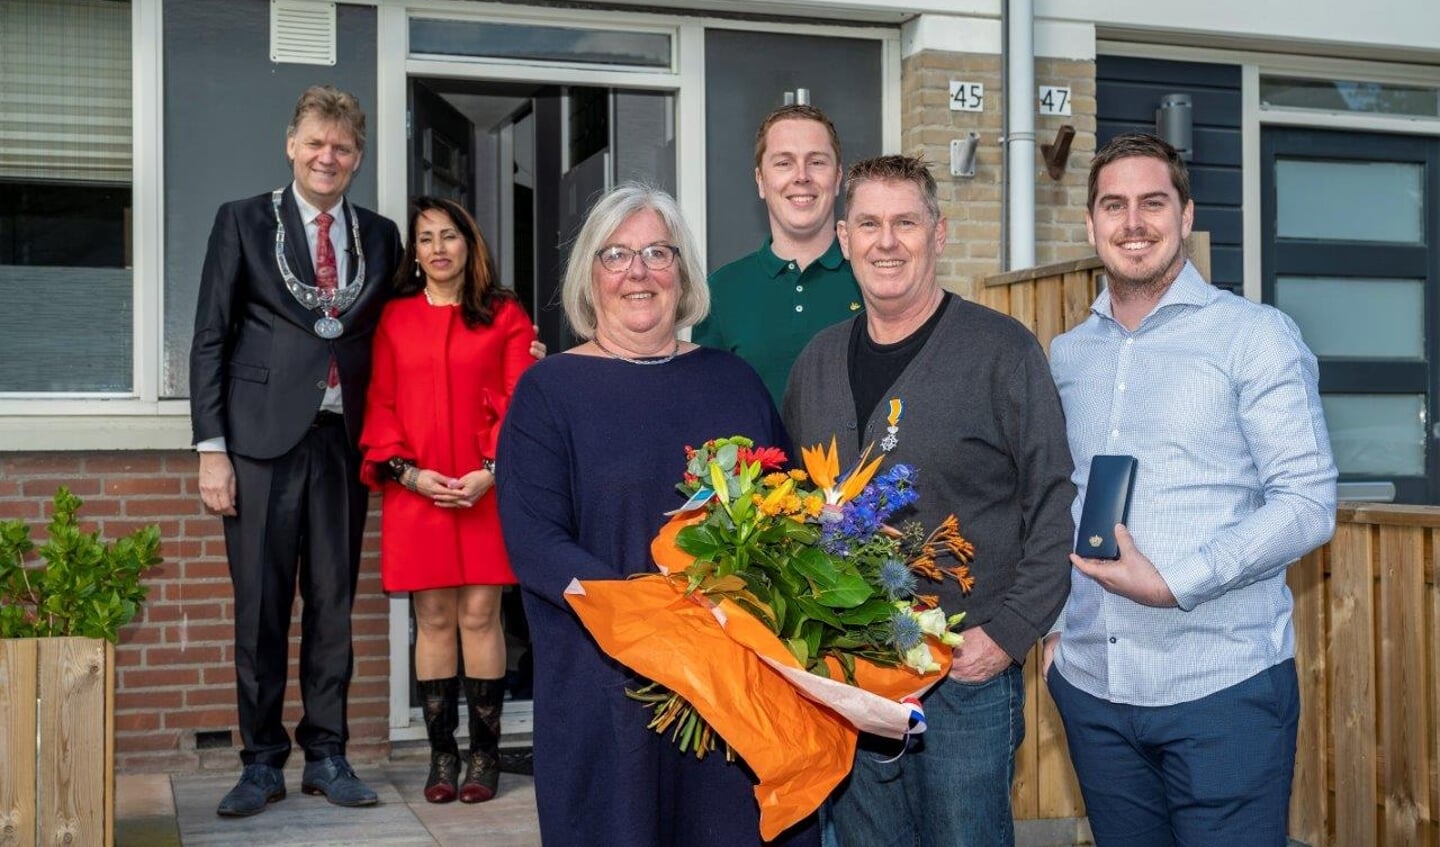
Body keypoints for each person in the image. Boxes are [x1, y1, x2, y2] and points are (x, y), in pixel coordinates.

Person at [495, 183, 817, 847]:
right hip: (605, 681)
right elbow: (535, 541)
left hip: (732, 684)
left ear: (684, 272)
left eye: (657, 253)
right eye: (617, 256)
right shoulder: (549, 391)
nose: (638, 273)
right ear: (591, 275)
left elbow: (786, 512)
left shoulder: (733, 381)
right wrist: (654, 620)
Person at [1043, 133, 1337, 847]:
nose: (1133, 222)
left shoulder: (1254, 337)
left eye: (1153, 202)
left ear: (1186, 216)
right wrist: (1053, 634)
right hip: (1094, 688)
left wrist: (1177, 579)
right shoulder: (1067, 354)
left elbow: (1307, 500)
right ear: (1090, 225)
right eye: (1114, 205)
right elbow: (1057, 496)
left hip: (1221, 688)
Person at [784, 155, 1075, 847]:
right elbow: (792, 508)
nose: (887, 241)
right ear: (844, 239)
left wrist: (1007, 635)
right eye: (869, 223)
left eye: (906, 222)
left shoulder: (1001, 351)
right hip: (850, 678)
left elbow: (1056, 497)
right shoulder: (815, 363)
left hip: (964, 679)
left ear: (938, 234)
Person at [190, 85, 402, 815]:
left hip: (342, 443)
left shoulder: (380, 236)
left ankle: (327, 753)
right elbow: (211, 336)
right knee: (260, 607)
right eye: (315, 142)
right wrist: (210, 448)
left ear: (357, 159)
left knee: (334, 605)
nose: (327, 157)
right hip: (257, 444)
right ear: (291, 145)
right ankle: (259, 760)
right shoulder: (243, 222)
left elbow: (402, 331)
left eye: (341, 148)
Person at [358, 197, 536, 805]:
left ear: (470, 244)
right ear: (415, 251)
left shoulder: (505, 315)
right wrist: (407, 474)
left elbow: (520, 399)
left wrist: (491, 470)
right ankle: (442, 757)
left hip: (486, 489)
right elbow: (379, 401)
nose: (437, 248)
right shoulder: (395, 318)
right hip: (419, 491)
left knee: (482, 616)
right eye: (426, 238)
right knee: (432, 618)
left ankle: (484, 757)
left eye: (449, 236)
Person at [692, 104, 863, 405]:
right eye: (784, 163)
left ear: (837, 179)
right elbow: (708, 410)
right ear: (760, 181)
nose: (801, 176)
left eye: (817, 162)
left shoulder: (872, 278)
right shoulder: (720, 291)